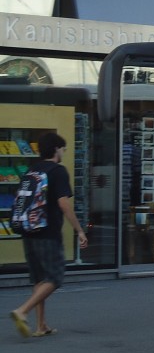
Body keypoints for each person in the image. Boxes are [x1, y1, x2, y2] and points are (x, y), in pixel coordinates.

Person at [10, 132, 88, 339]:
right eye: (63, 148)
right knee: (54, 277)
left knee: (39, 279)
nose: (63, 152)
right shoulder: (58, 171)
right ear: (56, 149)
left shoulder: (32, 170)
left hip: (28, 231)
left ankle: (40, 325)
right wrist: (79, 230)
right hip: (47, 232)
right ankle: (22, 311)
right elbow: (64, 203)